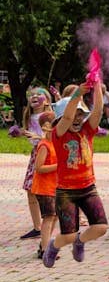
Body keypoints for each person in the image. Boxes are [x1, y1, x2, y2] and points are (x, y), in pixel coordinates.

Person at [43, 82, 107, 267]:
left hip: (88, 188)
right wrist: (78, 93)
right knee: (68, 235)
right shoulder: (59, 134)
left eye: (81, 114)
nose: (77, 118)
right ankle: (53, 246)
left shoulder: (88, 130)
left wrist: (96, 89)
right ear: (61, 119)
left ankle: (80, 241)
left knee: (101, 227)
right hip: (66, 192)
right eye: (74, 115)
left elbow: (98, 111)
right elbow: (68, 115)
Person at [19, 87, 51, 241]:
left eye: (39, 94)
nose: (35, 96)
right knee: (30, 190)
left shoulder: (50, 115)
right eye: (32, 94)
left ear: (47, 99)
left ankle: (48, 223)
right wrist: (20, 133)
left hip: (46, 155)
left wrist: (37, 137)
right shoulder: (29, 116)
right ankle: (37, 227)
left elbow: (51, 136)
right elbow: (32, 137)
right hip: (35, 154)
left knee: (45, 190)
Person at [28, 110, 58, 260]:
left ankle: (43, 244)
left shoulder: (55, 143)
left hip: (54, 187)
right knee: (48, 217)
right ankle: (46, 250)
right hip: (43, 188)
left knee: (55, 216)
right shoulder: (44, 145)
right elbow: (38, 168)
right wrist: (58, 166)